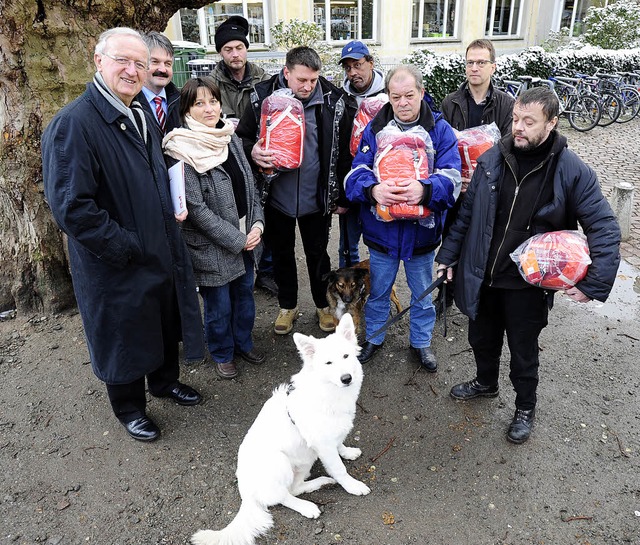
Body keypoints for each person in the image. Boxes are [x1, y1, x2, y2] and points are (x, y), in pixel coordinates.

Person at [41, 27, 204, 443]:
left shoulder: (139, 111)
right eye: (122, 61)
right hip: (117, 259)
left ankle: (164, 383)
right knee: (124, 332)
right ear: (99, 61)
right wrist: (127, 246)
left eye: (141, 63)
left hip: (158, 244)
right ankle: (129, 407)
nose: (133, 71)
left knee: (162, 321)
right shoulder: (73, 125)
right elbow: (72, 208)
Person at [436, 87, 621, 444]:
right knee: (481, 338)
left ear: (551, 123)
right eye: (516, 118)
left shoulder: (571, 170)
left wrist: (593, 283)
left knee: (523, 351)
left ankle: (525, 407)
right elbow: (467, 214)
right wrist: (449, 256)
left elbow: (603, 225)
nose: (517, 127)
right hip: (485, 275)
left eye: (528, 122)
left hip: (528, 285)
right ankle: (486, 383)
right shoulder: (493, 157)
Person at [345, 65, 461, 368]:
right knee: (378, 291)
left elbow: (453, 178)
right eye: (396, 97)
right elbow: (356, 173)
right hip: (380, 234)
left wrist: (425, 190)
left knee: (422, 295)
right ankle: (375, 337)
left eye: (409, 95)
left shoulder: (439, 129)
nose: (403, 103)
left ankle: (421, 344)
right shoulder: (375, 128)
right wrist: (373, 191)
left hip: (421, 236)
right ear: (388, 96)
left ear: (421, 93)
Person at [236, 46, 354, 335]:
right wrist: (253, 152)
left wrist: (341, 195)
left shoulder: (333, 100)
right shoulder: (261, 97)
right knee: (282, 254)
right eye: (301, 80)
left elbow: (344, 154)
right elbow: (241, 138)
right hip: (276, 197)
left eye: (313, 80)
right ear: (286, 72)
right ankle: (287, 306)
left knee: (318, 254)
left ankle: (322, 305)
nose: (307, 86)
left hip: (317, 197)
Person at [163, 77, 265, 380]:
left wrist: (257, 223)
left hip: (247, 235)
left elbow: (250, 186)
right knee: (219, 305)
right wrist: (238, 239)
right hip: (212, 246)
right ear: (186, 109)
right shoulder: (179, 149)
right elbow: (196, 210)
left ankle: (243, 343)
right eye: (199, 103)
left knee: (245, 298)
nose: (209, 109)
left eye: (213, 101)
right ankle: (222, 352)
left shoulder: (229, 138)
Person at [436, 39, 515, 312]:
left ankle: (480, 296)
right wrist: (456, 178)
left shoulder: (506, 104)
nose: (474, 68)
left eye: (481, 62)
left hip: (489, 188)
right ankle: (445, 295)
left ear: (493, 66)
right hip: (457, 187)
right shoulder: (451, 102)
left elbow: (509, 147)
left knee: (483, 241)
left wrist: (482, 179)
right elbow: (442, 145)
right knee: (451, 238)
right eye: (470, 62)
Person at [210, 15, 276, 296]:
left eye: (239, 47)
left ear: (246, 49)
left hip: (261, 158)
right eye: (228, 49)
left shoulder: (264, 79)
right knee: (235, 216)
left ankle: (269, 270)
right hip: (228, 161)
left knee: (267, 214)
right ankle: (241, 271)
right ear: (221, 53)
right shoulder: (210, 83)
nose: (235, 54)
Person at [337, 40, 386, 268]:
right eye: (348, 68)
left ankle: (378, 294)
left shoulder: (390, 95)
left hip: (383, 185)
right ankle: (349, 296)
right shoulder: (340, 99)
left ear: (370, 63)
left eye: (357, 65)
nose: (353, 72)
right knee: (347, 245)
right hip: (351, 183)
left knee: (381, 244)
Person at [136, 31, 181, 136]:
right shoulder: (130, 103)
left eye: (167, 63)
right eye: (155, 62)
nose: (163, 69)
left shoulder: (181, 101)